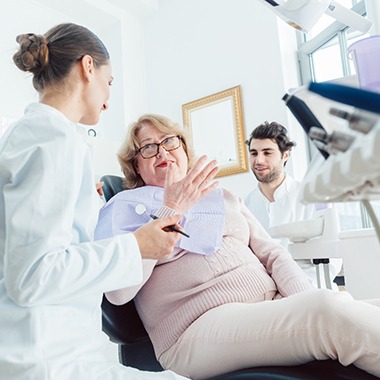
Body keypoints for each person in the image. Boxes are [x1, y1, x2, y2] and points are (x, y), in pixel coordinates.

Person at [0, 23, 222, 380]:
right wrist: (135, 245)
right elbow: (32, 276)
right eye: (110, 81)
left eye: (170, 143)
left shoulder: (46, 137)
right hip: (47, 358)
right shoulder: (51, 140)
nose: (108, 95)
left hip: (65, 348)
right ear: (88, 67)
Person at [95, 113, 380, 380]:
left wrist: (300, 301)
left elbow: (273, 255)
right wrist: (171, 209)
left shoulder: (222, 196)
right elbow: (119, 292)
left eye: (169, 141)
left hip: (267, 308)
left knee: (361, 308)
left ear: (183, 149)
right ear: (136, 165)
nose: (162, 152)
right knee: (327, 311)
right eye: (148, 147)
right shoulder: (123, 207)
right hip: (194, 330)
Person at [244, 121, 342, 289]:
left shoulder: (313, 196)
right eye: (254, 153)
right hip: (267, 295)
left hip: (313, 290)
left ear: (285, 155)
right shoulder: (246, 205)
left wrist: (297, 288)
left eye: (267, 153)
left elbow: (333, 258)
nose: (259, 160)